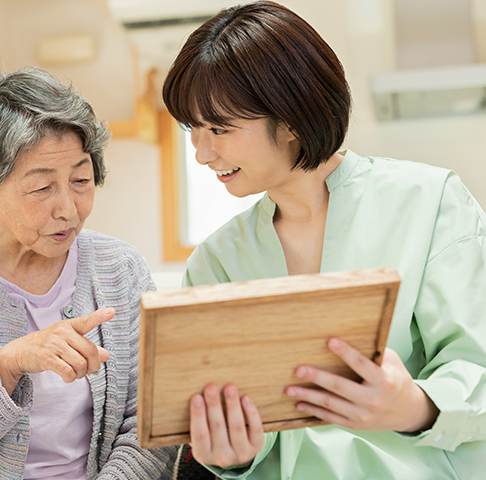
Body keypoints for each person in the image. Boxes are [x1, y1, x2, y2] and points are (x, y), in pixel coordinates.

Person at [162, 2, 486, 479]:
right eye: (193, 130)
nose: (202, 153)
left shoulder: (430, 201)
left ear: (291, 119)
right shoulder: (217, 262)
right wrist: (232, 456)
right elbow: (232, 437)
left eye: (220, 128)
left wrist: (412, 406)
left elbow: (475, 367)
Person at [0, 67, 176, 479]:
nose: (69, 209)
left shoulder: (121, 268)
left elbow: (149, 421)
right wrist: (10, 362)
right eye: (42, 188)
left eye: (81, 179)